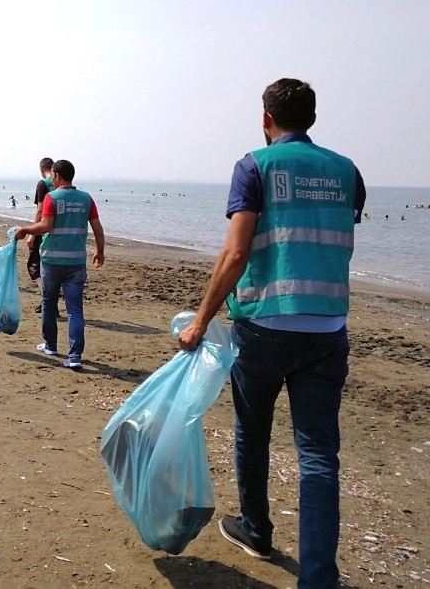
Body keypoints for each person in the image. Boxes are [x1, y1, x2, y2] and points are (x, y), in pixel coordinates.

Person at [176, 79, 366, 589]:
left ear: (266, 118)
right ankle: (319, 578)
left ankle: (257, 530)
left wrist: (200, 320)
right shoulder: (348, 171)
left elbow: (237, 253)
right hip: (328, 326)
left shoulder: (255, 165)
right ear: (312, 119)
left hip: (263, 324)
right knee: (319, 455)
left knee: (253, 432)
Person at [14, 159, 105, 369]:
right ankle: (75, 356)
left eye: (52, 177)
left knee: (48, 302)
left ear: (56, 175)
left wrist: (25, 230)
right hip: (76, 261)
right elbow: (98, 229)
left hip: (52, 260)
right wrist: (100, 252)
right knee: (75, 309)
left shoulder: (51, 197)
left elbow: (45, 226)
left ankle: (51, 345)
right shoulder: (86, 198)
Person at [26, 157, 55, 313]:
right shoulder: (60, 183)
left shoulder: (43, 184)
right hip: (59, 229)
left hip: (43, 229)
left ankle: (48, 302)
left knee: (33, 266)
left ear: (41, 169)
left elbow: (40, 210)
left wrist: (32, 233)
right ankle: (48, 301)